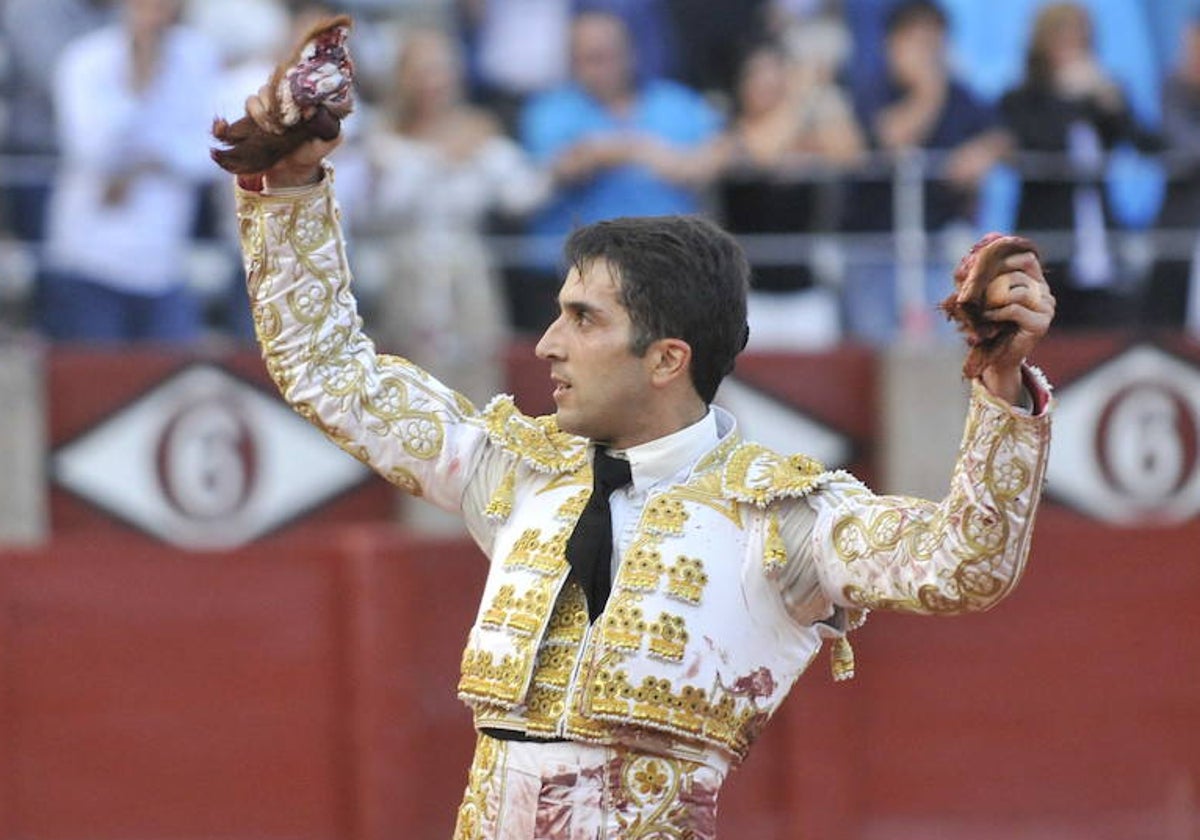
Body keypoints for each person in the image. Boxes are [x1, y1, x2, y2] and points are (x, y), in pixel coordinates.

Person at [227, 74, 1055, 837]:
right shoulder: (519, 472)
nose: (548, 344)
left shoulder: (782, 520)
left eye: (584, 320)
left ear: (667, 358)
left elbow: (965, 563)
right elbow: (331, 372)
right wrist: (293, 188)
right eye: (558, 314)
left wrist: (1001, 392)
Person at [38, 0, 220, 344]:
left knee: (171, 387)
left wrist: (146, 162)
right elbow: (90, 149)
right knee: (95, 387)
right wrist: (138, 81)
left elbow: (213, 151)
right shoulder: (86, 58)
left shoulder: (198, 55)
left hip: (166, 262)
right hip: (90, 260)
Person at [844, 0, 1012, 343]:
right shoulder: (869, 88)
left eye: (935, 43)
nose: (929, 54)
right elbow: (889, 137)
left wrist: (983, 151)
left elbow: (1001, 133)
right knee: (874, 347)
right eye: (919, 43)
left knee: (948, 341)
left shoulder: (960, 94)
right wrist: (927, 91)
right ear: (893, 44)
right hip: (875, 246)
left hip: (937, 245)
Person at [999, 2, 1159, 330]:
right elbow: (1039, 144)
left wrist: (1111, 102)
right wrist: (1068, 97)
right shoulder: (1021, 98)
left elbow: (1145, 143)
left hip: (1101, 237)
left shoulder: (1100, 95)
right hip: (1049, 242)